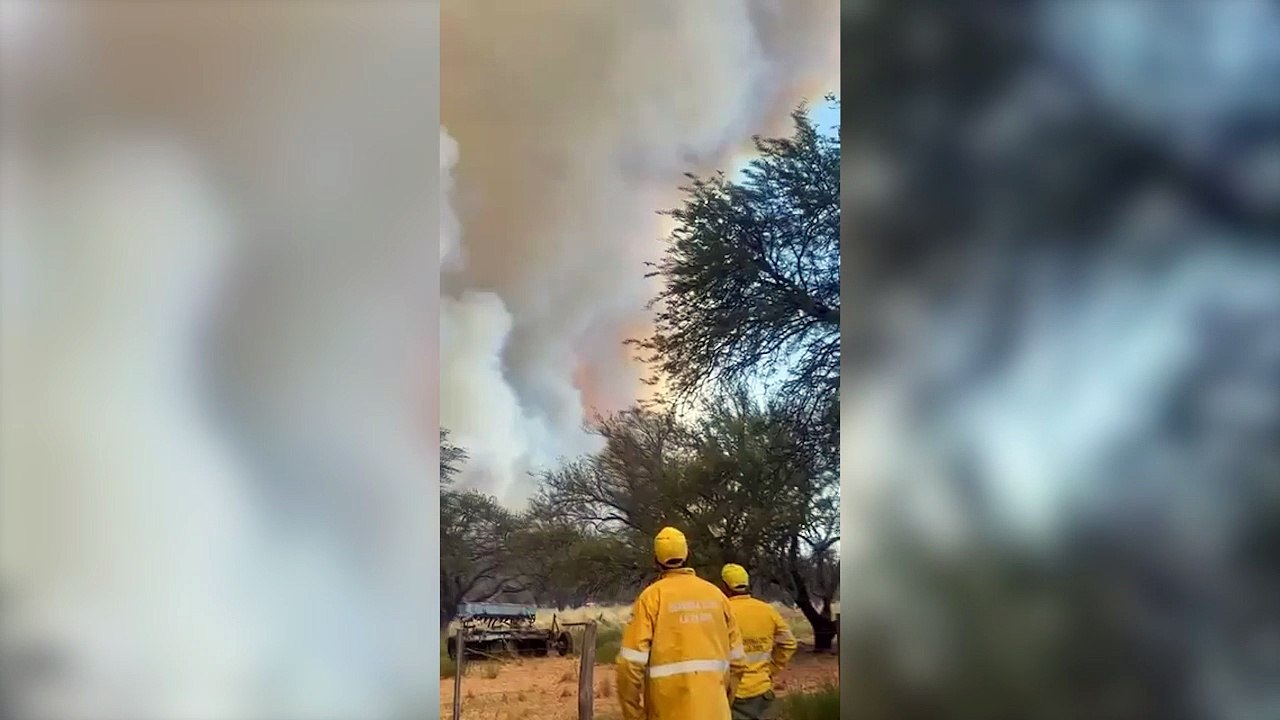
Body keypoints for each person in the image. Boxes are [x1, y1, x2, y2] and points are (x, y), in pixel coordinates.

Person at [616, 527, 748, 720]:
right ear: (688, 555)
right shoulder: (717, 596)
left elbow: (629, 665)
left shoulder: (650, 598)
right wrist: (722, 702)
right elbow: (738, 662)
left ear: (656, 561)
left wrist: (633, 714)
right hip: (715, 711)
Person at [720, 563, 798, 720]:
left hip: (733, 696)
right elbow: (789, 643)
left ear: (725, 587)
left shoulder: (722, 612)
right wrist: (771, 669)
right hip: (763, 693)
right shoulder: (767, 610)